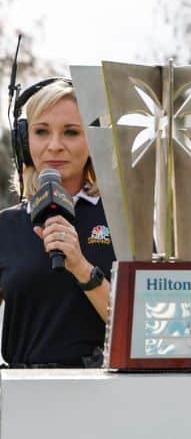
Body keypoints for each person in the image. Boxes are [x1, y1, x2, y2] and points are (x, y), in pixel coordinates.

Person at [0, 78, 113, 368]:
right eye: (41, 131)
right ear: (25, 142)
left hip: (102, 396)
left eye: (71, 132)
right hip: (21, 397)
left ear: (93, 142)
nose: (54, 146)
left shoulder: (121, 221)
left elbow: (140, 325)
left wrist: (81, 267)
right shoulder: (7, 226)